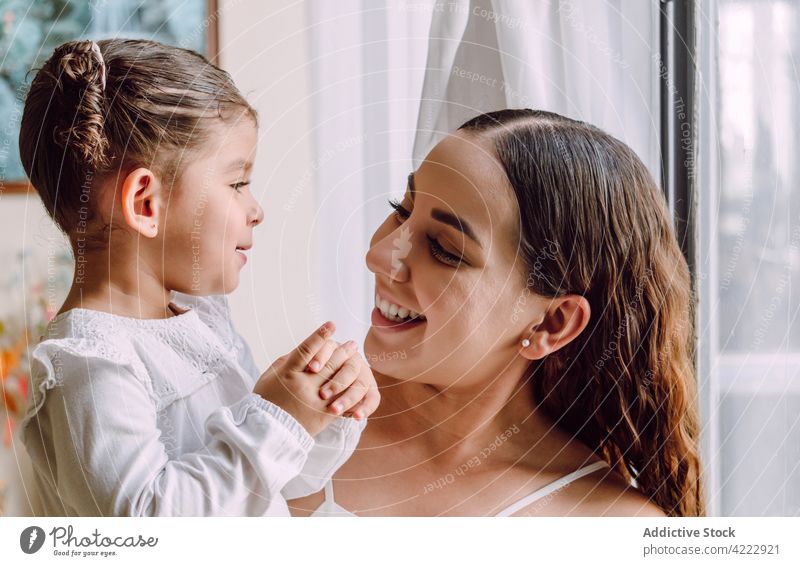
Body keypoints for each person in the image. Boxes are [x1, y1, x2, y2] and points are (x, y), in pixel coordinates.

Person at [18, 38, 379, 516]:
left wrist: (318, 411)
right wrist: (278, 420)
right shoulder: (90, 365)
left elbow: (266, 486)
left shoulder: (203, 322)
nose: (257, 210)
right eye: (237, 183)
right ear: (146, 204)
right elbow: (149, 529)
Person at [290, 109, 704, 517]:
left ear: (552, 324)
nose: (379, 256)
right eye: (402, 208)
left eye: (444, 249)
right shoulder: (289, 424)